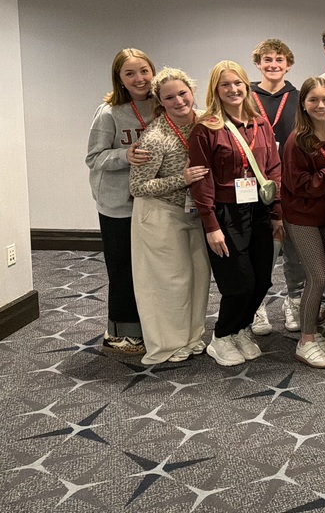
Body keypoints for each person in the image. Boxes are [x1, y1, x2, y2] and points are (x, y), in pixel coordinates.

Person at [188, 60, 284, 367]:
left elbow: (273, 169)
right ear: (215, 90)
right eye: (225, 84)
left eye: (238, 83)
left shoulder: (260, 123)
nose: (233, 89)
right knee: (238, 283)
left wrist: (277, 212)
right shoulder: (206, 128)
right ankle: (221, 336)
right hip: (225, 213)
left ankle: (241, 329)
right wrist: (210, 225)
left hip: (258, 210)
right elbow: (202, 178)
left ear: (247, 86)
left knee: (262, 281)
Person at [129, 67, 211, 365]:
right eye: (169, 97)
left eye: (182, 93)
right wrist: (183, 178)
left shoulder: (205, 121)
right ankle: (168, 344)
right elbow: (137, 186)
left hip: (194, 213)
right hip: (160, 214)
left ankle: (192, 337)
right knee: (171, 282)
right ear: (160, 101)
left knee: (198, 277)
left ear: (192, 91)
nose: (178, 101)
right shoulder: (155, 137)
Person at [86, 48, 156, 354]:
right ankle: (119, 332)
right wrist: (124, 155)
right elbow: (93, 158)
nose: (139, 78)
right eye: (130, 73)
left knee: (151, 267)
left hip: (154, 200)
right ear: (120, 79)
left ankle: (150, 326)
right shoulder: (109, 112)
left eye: (143, 70)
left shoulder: (163, 105)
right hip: (118, 204)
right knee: (123, 268)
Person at [282, 77, 325, 368]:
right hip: (303, 216)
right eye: (313, 100)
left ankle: (313, 331)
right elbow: (301, 186)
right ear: (303, 104)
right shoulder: (298, 140)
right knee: (318, 278)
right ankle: (305, 341)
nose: (320, 105)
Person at [249, 38, 304, 335]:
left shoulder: (298, 96)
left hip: (292, 182)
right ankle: (257, 305)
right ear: (258, 64)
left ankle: (293, 300)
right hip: (255, 183)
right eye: (267, 60)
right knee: (262, 247)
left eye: (279, 60)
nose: (273, 65)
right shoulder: (244, 95)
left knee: (294, 246)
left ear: (288, 65)